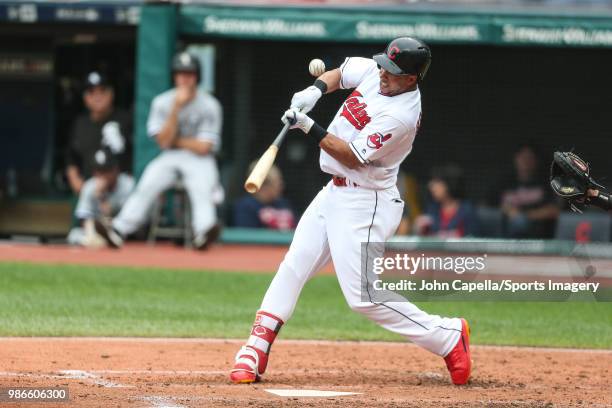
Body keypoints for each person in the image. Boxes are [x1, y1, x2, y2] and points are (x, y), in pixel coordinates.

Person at [229, 37, 471, 386]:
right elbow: (341, 73)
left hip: (367, 202)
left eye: (392, 70)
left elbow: (352, 155)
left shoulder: (401, 116)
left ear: (411, 78)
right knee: (295, 263)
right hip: (334, 191)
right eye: (383, 66)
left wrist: (308, 126)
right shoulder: (379, 72)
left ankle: (447, 335)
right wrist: (314, 90)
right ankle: (254, 347)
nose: (383, 73)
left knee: (363, 298)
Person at [94, 52, 223, 250]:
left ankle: (204, 233)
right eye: (181, 74)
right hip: (170, 156)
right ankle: (118, 230)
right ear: (174, 76)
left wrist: (175, 141)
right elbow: (163, 143)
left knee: (202, 188)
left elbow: (204, 146)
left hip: (200, 158)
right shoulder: (162, 102)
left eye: (189, 74)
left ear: (197, 76)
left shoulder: (210, 104)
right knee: (147, 183)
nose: (185, 79)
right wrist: (176, 107)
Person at [65, 71, 132, 194]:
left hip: (120, 189)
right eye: (91, 92)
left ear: (111, 93)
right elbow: (71, 158)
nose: (97, 96)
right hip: (88, 188)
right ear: (85, 98)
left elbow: (137, 154)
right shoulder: (80, 123)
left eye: (102, 91)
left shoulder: (126, 119)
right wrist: (75, 181)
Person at [67, 148, 134, 247]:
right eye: (98, 171)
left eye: (105, 170)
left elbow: (127, 218)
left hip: (123, 230)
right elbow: (85, 217)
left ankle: (103, 240)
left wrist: (101, 197)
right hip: (97, 230)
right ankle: (97, 240)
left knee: (117, 230)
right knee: (74, 234)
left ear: (116, 169)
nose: (101, 175)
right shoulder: (90, 186)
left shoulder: (128, 185)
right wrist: (91, 234)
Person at [488, 144, 559, 238]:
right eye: (522, 157)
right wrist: (507, 210)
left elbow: (554, 210)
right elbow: (487, 206)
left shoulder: (546, 183)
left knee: (520, 222)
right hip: (505, 231)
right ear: (516, 159)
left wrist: (524, 216)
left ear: (536, 161)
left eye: (529, 158)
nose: (526, 161)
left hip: (538, 233)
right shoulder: (504, 183)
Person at [414, 164, 479, 238]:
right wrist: (418, 229)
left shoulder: (467, 210)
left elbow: (472, 239)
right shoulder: (431, 208)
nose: (431, 186)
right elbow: (425, 239)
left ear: (449, 184)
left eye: (437, 181)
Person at [233, 164, 296, 230]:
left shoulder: (283, 204)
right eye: (278, 183)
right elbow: (247, 236)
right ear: (263, 186)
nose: (281, 187)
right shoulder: (246, 206)